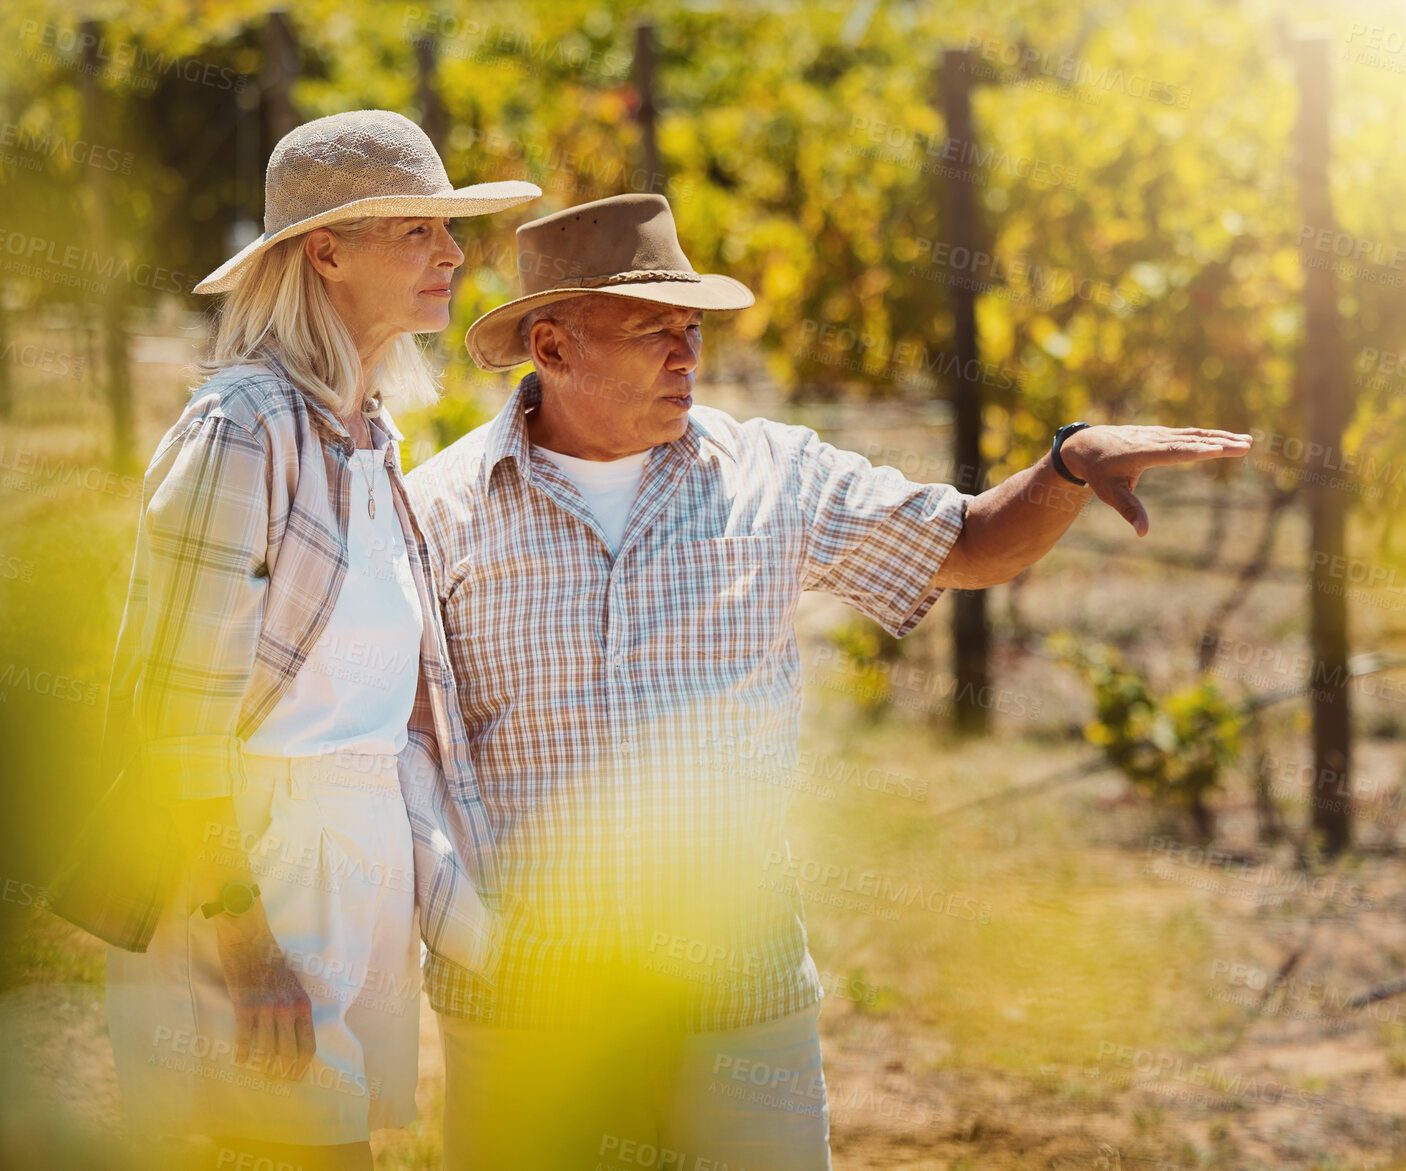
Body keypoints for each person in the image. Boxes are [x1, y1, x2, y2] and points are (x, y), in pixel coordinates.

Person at [406, 190, 1252, 1169]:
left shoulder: (771, 476)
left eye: (691, 328)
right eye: (653, 332)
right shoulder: (441, 513)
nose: (688, 354)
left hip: (736, 989)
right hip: (528, 1004)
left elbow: (967, 541)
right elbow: (404, 749)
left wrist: (1066, 465)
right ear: (552, 348)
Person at [47, 109, 538, 1171]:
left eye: (448, 231)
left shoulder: (369, 438)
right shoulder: (244, 425)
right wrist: (243, 933)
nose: (453, 254)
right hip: (262, 863)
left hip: (358, 864)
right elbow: (176, 712)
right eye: (418, 230)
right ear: (326, 252)